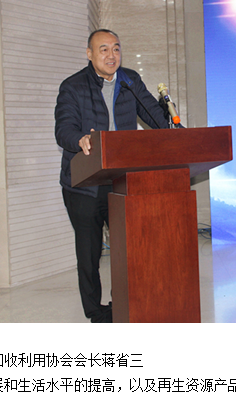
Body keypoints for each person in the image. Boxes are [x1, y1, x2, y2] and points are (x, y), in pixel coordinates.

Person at [54, 29, 169, 323]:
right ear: (89, 54)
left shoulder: (130, 81)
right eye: (103, 49)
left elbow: (154, 115)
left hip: (120, 180)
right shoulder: (73, 86)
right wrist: (79, 139)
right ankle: (96, 311)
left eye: (116, 49)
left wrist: (174, 134)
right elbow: (63, 128)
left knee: (127, 250)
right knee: (89, 253)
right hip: (84, 184)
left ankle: (124, 304)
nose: (111, 55)